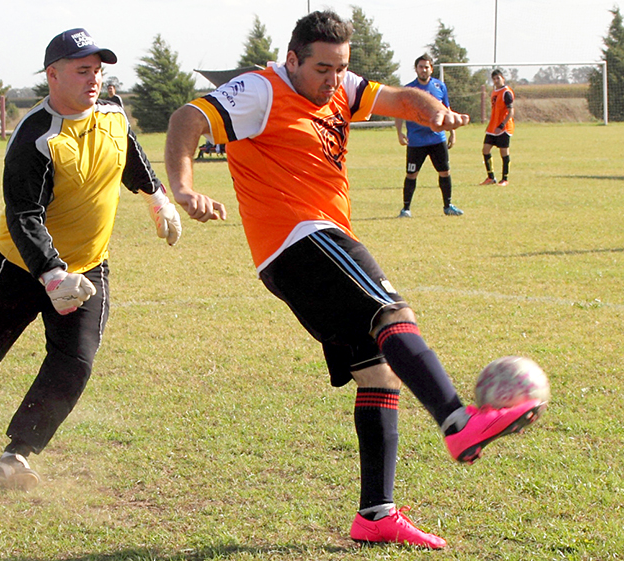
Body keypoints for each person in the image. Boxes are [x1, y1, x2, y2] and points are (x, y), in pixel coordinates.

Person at [164, 10, 545, 549]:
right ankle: (458, 422)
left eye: (339, 67)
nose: (331, 79)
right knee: (392, 313)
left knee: (378, 371)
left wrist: (435, 111)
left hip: (309, 247)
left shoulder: (341, 85)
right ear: (292, 58)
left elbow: (401, 100)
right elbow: (187, 118)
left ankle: (376, 514)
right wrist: (183, 187)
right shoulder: (259, 90)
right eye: (321, 68)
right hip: (300, 239)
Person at [0, 28, 182, 490]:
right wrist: (51, 273)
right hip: (22, 265)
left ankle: (15, 457)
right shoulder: (35, 137)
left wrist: (157, 199)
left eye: (98, 70)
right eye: (82, 70)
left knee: (76, 360)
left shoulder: (113, 115)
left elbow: (132, 157)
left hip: (89, 266)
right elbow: (23, 214)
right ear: (53, 75)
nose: (94, 79)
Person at [395, 54, 463, 217]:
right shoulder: (409, 89)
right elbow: (398, 111)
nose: (424, 70)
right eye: (421, 67)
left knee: (444, 172)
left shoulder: (440, 87)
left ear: (431, 69)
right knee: (411, 174)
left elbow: (447, 110)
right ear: (416, 69)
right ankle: (406, 209)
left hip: (437, 139)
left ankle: (448, 206)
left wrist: (452, 132)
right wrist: (399, 132)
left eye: (427, 67)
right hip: (416, 141)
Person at [480, 69, 515, 186]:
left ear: (503, 78)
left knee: (504, 152)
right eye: (494, 79)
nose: (496, 81)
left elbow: (511, 111)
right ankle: (491, 177)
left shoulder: (506, 92)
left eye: (498, 78)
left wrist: (502, 125)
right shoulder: (494, 92)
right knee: (485, 149)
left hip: (503, 127)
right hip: (493, 127)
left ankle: (505, 179)